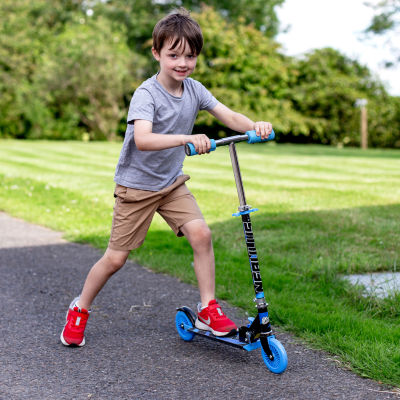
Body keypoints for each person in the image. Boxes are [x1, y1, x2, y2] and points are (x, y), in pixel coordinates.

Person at [60, 8, 273, 347]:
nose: (182, 62)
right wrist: (186, 138)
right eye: (173, 54)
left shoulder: (195, 90)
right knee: (116, 258)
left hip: (170, 184)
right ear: (157, 53)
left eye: (190, 55)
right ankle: (80, 307)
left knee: (202, 234)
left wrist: (256, 125)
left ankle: (208, 308)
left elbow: (228, 114)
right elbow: (143, 140)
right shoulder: (147, 94)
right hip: (137, 187)